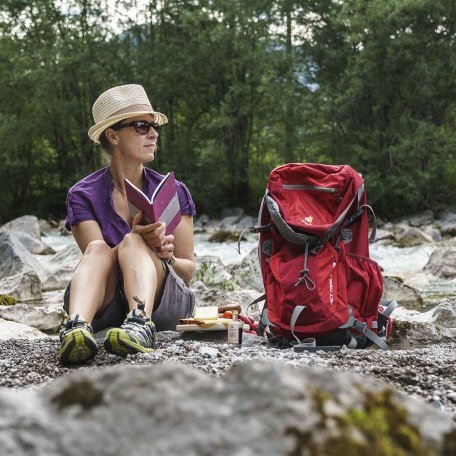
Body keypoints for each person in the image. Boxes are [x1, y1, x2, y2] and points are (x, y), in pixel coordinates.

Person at [59, 84, 196, 365]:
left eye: (153, 126)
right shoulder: (82, 195)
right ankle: (76, 328)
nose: (154, 133)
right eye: (142, 126)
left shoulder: (173, 190)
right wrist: (134, 238)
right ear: (113, 135)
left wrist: (165, 256)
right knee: (99, 248)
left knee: (134, 242)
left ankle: (140, 325)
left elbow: (188, 271)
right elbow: (99, 263)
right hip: (107, 303)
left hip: (164, 302)